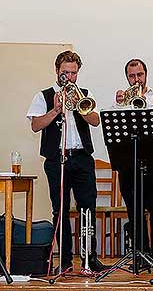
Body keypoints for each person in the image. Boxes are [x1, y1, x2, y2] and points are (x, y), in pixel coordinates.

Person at [27, 50, 108, 273]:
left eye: (73, 73)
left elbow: (95, 121)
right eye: (65, 73)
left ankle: (89, 258)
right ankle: (64, 260)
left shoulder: (84, 94)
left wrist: (79, 105)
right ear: (57, 71)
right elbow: (36, 125)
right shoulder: (43, 96)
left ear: (77, 73)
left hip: (82, 158)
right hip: (57, 159)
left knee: (87, 209)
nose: (69, 77)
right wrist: (55, 109)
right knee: (60, 209)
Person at [113, 58, 153, 270]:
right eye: (131, 76)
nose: (136, 79)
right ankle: (140, 254)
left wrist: (139, 100)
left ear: (146, 75)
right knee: (134, 210)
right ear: (127, 77)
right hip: (128, 163)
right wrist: (120, 104)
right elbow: (115, 128)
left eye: (139, 75)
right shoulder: (121, 100)